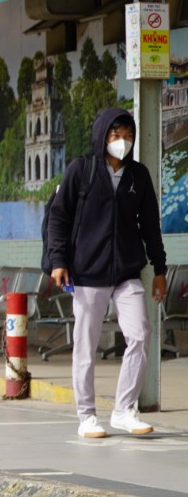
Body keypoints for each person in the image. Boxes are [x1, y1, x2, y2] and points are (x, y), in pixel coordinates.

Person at [47, 107, 167, 439]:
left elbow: (151, 227)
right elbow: (59, 218)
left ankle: (124, 410)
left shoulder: (138, 176)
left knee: (141, 335)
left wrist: (160, 268)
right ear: (102, 136)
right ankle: (86, 415)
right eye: (115, 136)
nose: (122, 143)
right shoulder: (80, 171)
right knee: (85, 346)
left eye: (128, 136)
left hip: (127, 271)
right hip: (86, 273)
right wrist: (59, 261)